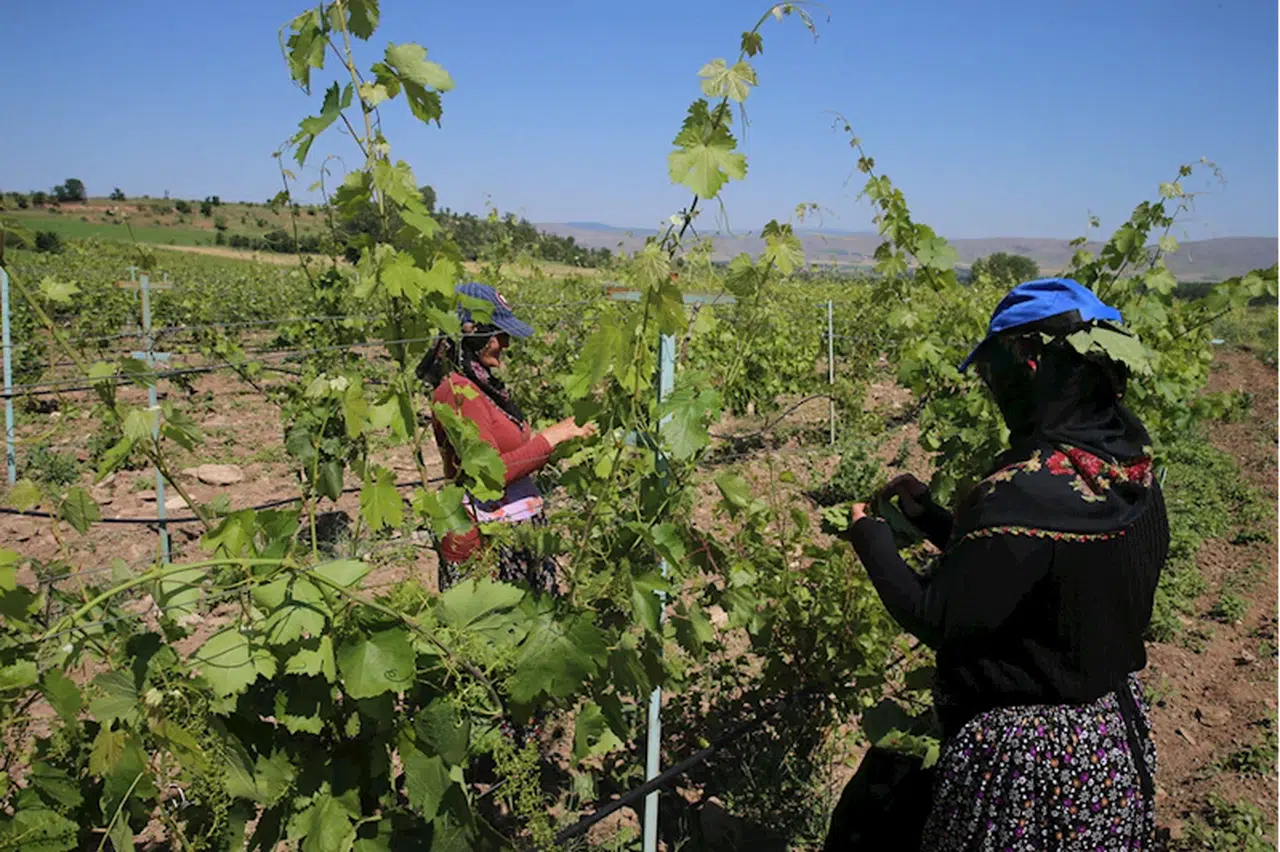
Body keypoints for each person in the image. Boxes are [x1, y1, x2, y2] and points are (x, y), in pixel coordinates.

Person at [835, 278, 1169, 851]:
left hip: (1026, 771)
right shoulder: (1124, 470)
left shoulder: (1021, 494)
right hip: (1104, 746)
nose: (993, 388)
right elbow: (1038, 570)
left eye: (996, 371)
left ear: (1031, 365)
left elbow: (938, 615)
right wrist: (936, 519)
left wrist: (870, 537)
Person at [418, 282, 596, 593]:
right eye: (500, 335)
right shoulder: (458, 393)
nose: (507, 344)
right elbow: (489, 474)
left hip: (510, 533)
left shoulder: (484, 388)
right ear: (474, 333)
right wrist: (551, 438)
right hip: (484, 542)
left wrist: (558, 445)